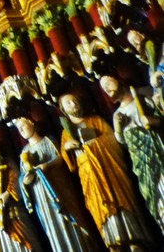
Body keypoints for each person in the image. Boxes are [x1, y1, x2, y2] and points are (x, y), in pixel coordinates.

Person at [58, 92, 153, 250]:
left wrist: (92, 144)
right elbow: (70, 165)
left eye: (75, 101)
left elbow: (113, 141)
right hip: (91, 178)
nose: (73, 104)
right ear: (63, 109)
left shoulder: (96, 120)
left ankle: (135, 241)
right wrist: (68, 149)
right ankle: (113, 243)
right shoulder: (66, 133)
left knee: (121, 202)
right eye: (68, 103)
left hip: (110, 172)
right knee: (101, 210)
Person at [13, 115, 99, 252]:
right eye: (18, 128)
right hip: (41, 197)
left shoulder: (48, 140)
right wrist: (26, 180)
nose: (21, 130)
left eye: (23, 125)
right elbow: (23, 178)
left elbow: (60, 158)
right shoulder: (24, 152)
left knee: (68, 220)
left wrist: (46, 166)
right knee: (52, 226)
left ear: (32, 123)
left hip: (58, 189)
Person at [100, 74, 164, 232]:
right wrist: (119, 129)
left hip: (159, 152)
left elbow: (161, 117)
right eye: (104, 88)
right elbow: (123, 143)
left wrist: (154, 121)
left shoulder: (142, 98)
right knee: (157, 198)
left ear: (119, 79)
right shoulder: (117, 115)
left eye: (109, 82)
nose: (107, 89)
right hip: (143, 164)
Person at [0, 136, 43, 252]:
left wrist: (7, 194)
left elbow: (16, 179)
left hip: (14, 213)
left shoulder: (7, 163)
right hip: (0, 218)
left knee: (27, 243)